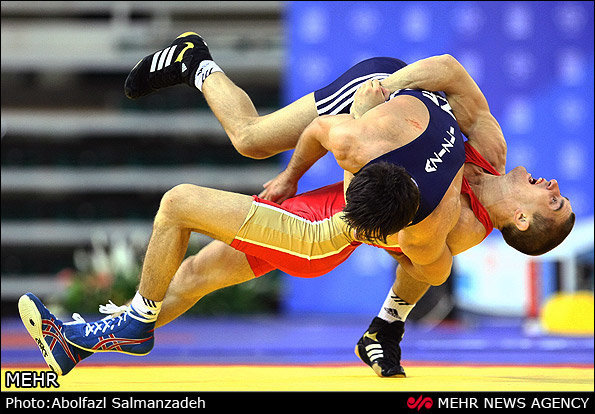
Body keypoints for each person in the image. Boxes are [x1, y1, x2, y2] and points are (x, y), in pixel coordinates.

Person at [19, 32, 575, 378]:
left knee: (199, 266)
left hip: (340, 201)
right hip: (375, 104)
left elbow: (421, 262)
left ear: (522, 221)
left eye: (556, 202)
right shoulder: (489, 150)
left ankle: (87, 340)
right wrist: (386, 89)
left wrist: (390, 320)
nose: (553, 186)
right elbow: (449, 70)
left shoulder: (450, 227)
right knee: (251, 142)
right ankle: (196, 62)